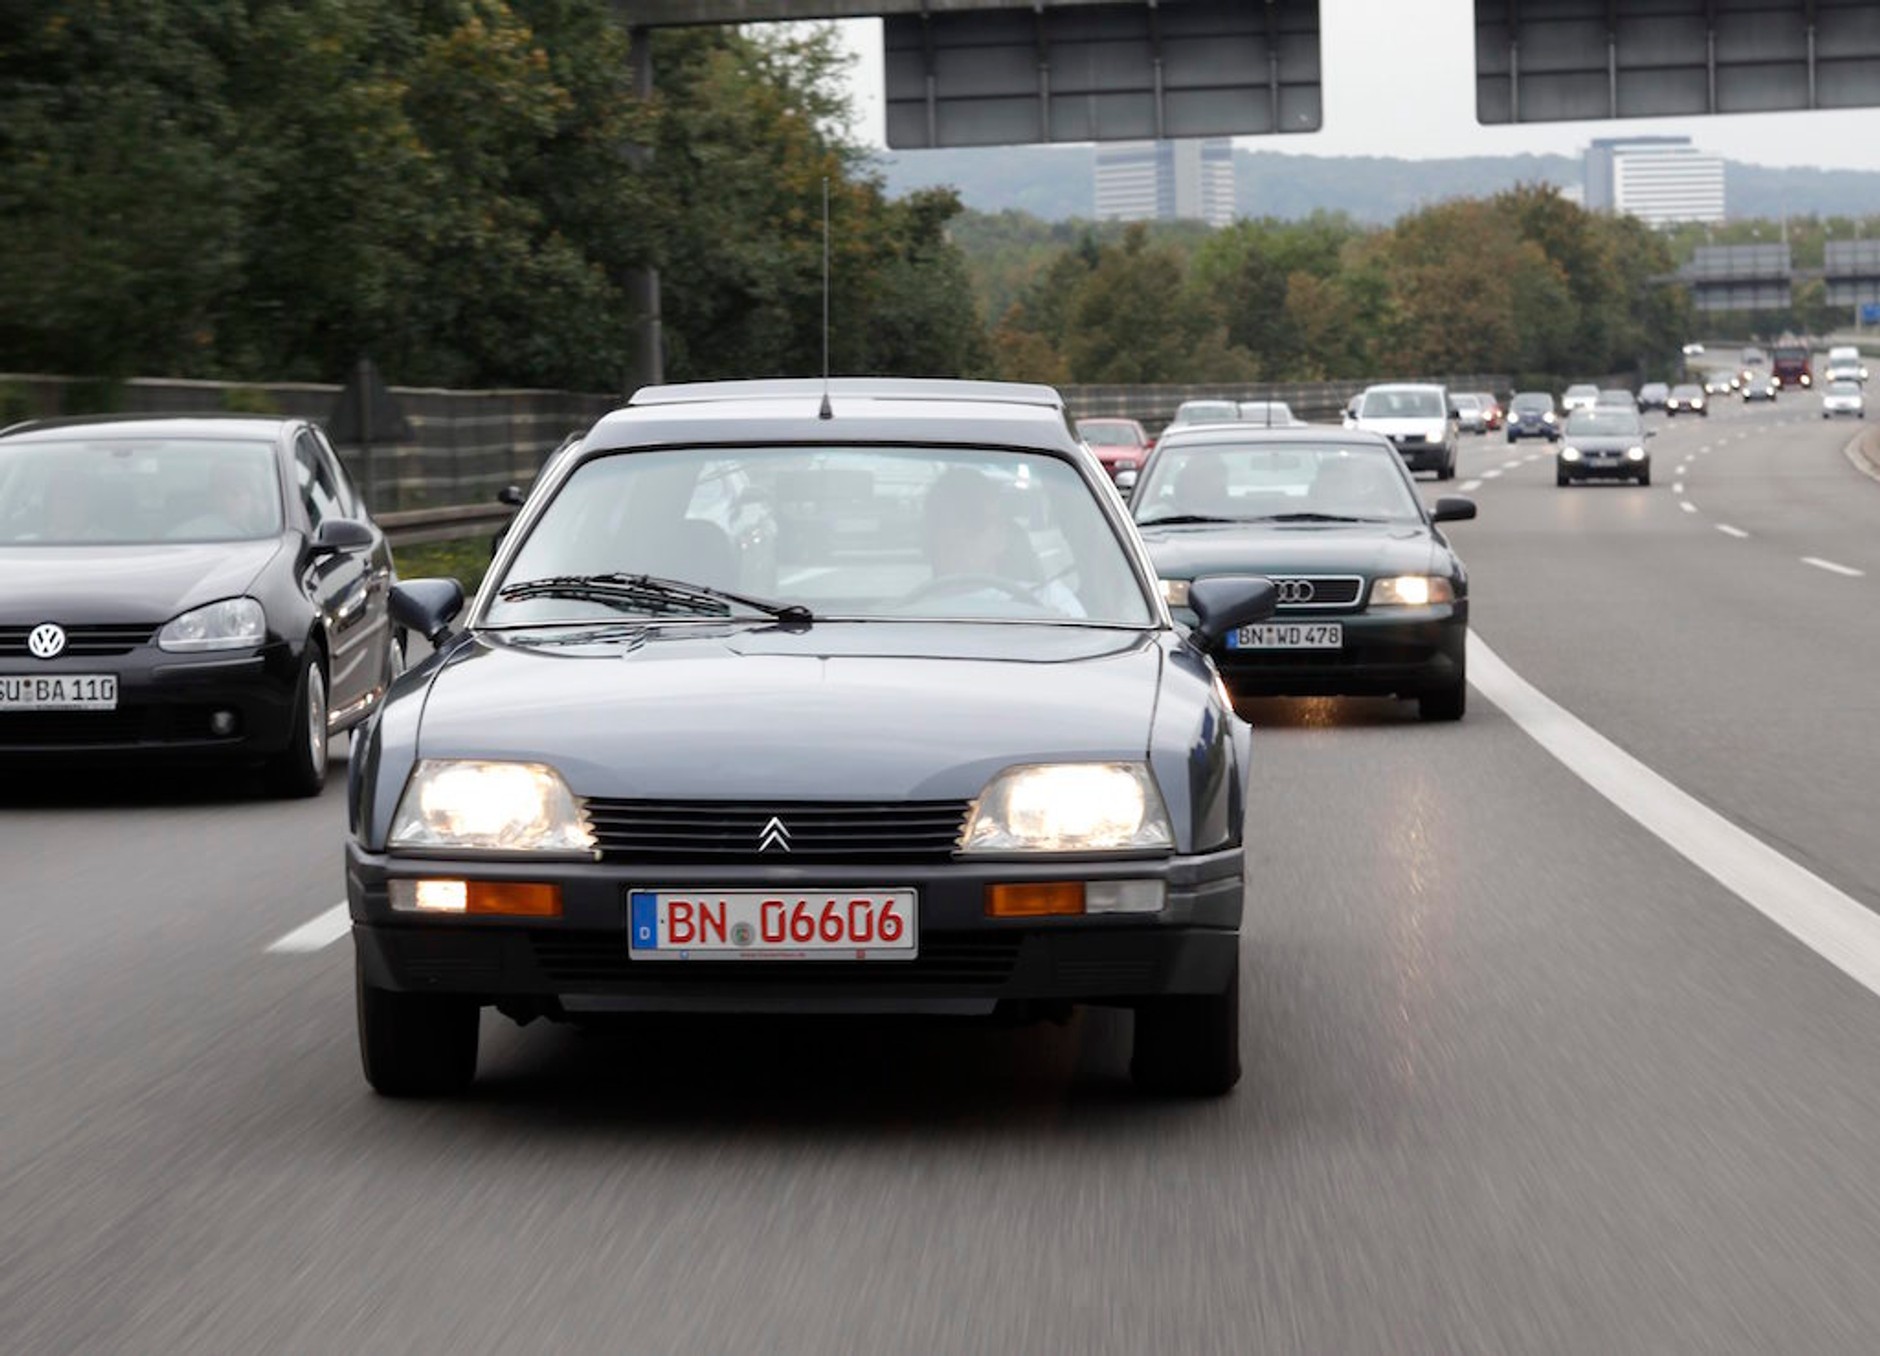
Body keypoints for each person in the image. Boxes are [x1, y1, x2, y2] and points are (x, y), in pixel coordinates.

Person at [918, 467, 1084, 617]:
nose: (956, 534)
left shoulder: (1050, 601)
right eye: (942, 523)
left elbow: (1083, 644)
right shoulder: (902, 615)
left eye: (972, 522)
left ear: (1001, 536)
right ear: (928, 536)